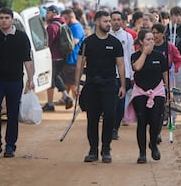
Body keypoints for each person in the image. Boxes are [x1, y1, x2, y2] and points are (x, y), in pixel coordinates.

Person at [73, 11, 126, 163]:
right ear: (97, 22)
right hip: (92, 85)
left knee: (110, 115)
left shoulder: (115, 43)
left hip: (110, 84)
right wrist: (77, 84)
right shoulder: (87, 42)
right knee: (92, 119)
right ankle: (93, 150)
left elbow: (120, 65)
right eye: (105, 21)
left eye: (110, 21)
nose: (109, 24)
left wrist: (122, 85)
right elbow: (79, 64)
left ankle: (106, 148)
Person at [0, 8, 34, 158]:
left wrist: (31, 79)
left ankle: (10, 146)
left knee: (13, 114)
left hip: (15, 81)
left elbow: (27, 59)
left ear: (12, 20)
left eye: (7, 17)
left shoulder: (21, 37)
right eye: (1, 18)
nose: (4, 20)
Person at [125, 29, 168, 164]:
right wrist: (144, 53)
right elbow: (137, 67)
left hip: (157, 91)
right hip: (140, 92)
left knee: (155, 121)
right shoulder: (135, 55)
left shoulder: (160, 56)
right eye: (148, 39)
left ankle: (153, 144)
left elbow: (165, 73)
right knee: (142, 122)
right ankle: (142, 153)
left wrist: (169, 91)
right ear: (141, 42)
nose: (151, 42)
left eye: (152, 39)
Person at [42, 5, 73, 111]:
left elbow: (47, 43)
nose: (46, 15)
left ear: (54, 13)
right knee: (55, 77)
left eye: (47, 13)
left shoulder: (52, 27)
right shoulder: (62, 23)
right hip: (62, 57)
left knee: (50, 79)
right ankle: (65, 96)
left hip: (54, 57)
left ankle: (50, 103)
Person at [109, 11, 134, 140]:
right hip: (108, 75)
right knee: (109, 104)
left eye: (119, 19)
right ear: (110, 21)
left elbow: (130, 56)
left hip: (123, 75)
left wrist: (132, 75)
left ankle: (115, 128)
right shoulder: (106, 36)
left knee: (120, 104)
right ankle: (109, 126)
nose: (116, 22)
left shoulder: (128, 37)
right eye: (114, 19)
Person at [57, 9, 85, 104]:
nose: (63, 21)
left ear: (71, 17)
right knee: (67, 81)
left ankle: (78, 101)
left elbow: (74, 42)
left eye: (65, 18)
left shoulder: (76, 27)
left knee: (73, 83)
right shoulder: (71, 26)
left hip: (74, 60)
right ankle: (65, 98)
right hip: (69, 60)